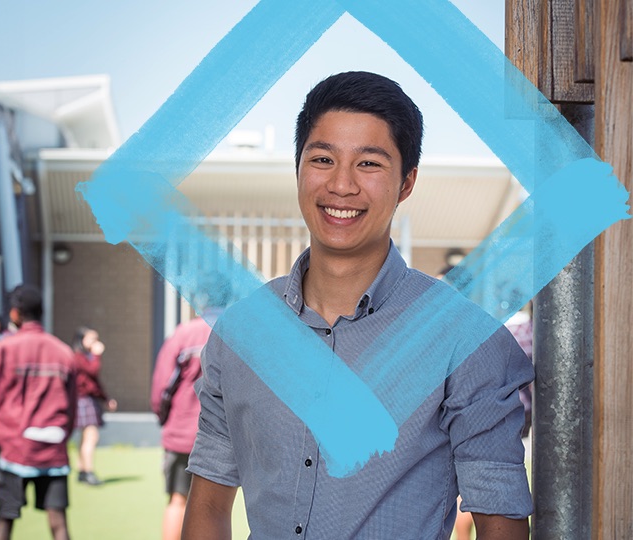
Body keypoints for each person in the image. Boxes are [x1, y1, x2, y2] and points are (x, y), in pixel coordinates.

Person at [183, 72, 534, 539]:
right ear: (298, 169)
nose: (341, 185)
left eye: (369, 163)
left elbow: (502, 525)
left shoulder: (464, 339)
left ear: (406, 182)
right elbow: (207, 505)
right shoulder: (240, 332)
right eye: (323, 158)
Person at [0, 285, 78, 540]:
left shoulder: (4, 348)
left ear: (15, 314)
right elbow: (72, 410)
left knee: (5, 521)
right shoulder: (64, 352)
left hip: (15, 450)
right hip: (53, 453)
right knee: (59, 526)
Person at [150, 274, 230, 540]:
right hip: (227, 438)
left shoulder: (184, 334)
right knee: (221, 506)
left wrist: (164, 419)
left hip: (183, 432)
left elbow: (162, 386)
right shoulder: (241, 335)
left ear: (200, 299)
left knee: (178, 500)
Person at [71, 326, 117, 486]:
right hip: (83, 400)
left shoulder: (86, 357)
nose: (95, 343)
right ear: (81, 340)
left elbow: (95, 382)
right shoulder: (78, 357)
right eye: (91, 339)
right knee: (91, 436)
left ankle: (82, 470)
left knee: (85, 437)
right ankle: (88, 471)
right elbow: (93, 371)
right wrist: (97, 355)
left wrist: (106, 399)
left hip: (88, 399)